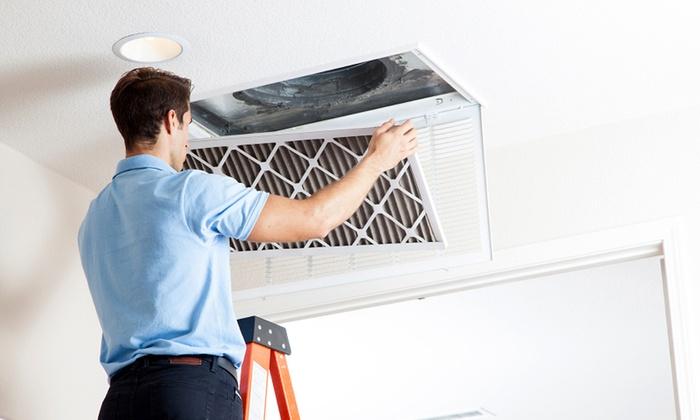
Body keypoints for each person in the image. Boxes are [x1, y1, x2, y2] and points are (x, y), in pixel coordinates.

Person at [78, 67, 417, 420]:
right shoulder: (191, 190)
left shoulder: (94, 218)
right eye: (188, 127)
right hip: (187, 389)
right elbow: (313, 220)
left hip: (119, 403)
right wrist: (378, 160)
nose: (188, 141)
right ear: (171, 120)